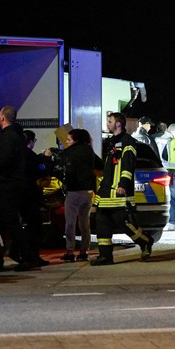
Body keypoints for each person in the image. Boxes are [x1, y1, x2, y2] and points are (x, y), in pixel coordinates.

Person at [91, 112, 154, 265]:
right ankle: (105, 256)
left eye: (110, 121)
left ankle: (145, 241)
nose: (108, 124)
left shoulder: (128, 141)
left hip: (118, 191)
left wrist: (123, 185)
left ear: (118, 124)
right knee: (101, 222)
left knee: (123, 222)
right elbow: (108, 167)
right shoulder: (112, 142)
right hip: (106, 192)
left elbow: (128, 164)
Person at [0, 105, 35, 271]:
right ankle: (13, 256)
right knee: (8, 222)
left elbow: (5, 159)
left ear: (2, 118)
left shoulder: (8, 137)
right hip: (17, 184)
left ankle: (24, 257)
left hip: (7, 185)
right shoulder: (18, 136)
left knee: (9, 222)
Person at [60, 128, 102, 262]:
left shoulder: (69, 153)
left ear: (76, 140)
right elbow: (101, 165)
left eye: (69, 140)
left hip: (73, 192)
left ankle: (70, 251)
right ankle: (84, 252)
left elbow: (64, 169)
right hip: (88, 193)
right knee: (85, 223)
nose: (66, 142)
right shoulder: (89, 151)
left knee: (70, 223)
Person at [21, 130, 49, 268]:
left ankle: (27, 256)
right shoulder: (30, 156)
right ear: (31, 141)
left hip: (20, 195)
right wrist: (46, 159)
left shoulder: (17, 154)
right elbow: (42, 170)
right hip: (31, 195)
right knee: (35, 227)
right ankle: (32, 257)